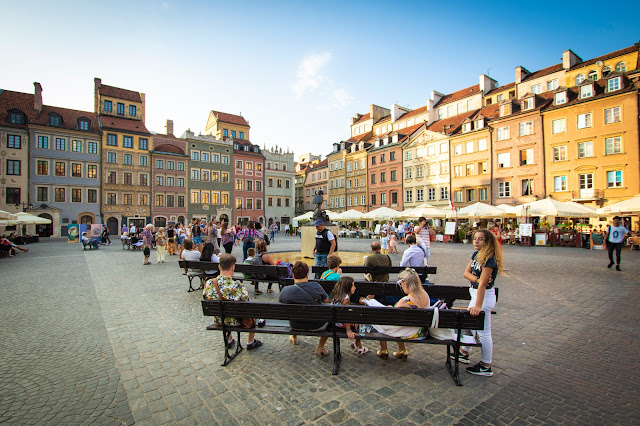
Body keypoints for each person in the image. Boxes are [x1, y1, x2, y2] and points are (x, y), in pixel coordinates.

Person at [458, 229, 503, 376]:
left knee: (484, 333)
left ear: (488, 242)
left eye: (480, 239)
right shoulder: (476, 255)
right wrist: (477, 280)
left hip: (483, 297)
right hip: (476, 293)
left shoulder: (489, 258)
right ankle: (464, 352)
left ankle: (485, 365)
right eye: (475, 238)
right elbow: (466, 273)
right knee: (471, 326)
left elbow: (484, 284)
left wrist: (478, 305)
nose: (476, 241)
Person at [360, 268, 430, 361]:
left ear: (405, 283)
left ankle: (383, 349)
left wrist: (388, 307)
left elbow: (391, 316)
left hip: (409, 332)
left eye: (401, 284)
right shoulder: (425, 294)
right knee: (397, 321)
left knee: (378, 318)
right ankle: (402, 350)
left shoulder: (405, 300)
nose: (401, 286)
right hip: (420, 330)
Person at [202, 254, 263, 351]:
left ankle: (229, 340)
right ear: (233, 267)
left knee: (223, 310)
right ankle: (250, 341)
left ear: (219, 266)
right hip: (236, 321)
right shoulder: (237, 286)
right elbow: (248, 305)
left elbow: (205, 297)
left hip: (219, 319)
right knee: (252, 311)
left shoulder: (209, 283)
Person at [279, 261, 330, 355]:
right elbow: (326, 300)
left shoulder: (285, 290)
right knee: (330, 313)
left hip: (295, 324)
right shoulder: (316, 286)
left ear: (293, 275)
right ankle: (320, 347)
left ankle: (294, 337)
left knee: (293, 310)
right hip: (317, 325)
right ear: (307, 274)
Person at [331, 277, 368, 355]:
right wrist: (348, 330)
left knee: (358, 319)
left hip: (335, 321)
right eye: (353, 286)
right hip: (341, 323)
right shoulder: (346, 299)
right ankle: (358, 344)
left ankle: (358, 345)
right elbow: (346, 316)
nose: (355, 288)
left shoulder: (337, 295)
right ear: (347, 287)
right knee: (363, 323)